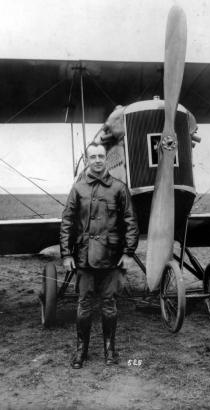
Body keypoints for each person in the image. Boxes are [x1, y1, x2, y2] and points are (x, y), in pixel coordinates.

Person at [60, 142, 139, 369]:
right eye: (92, 156)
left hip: (111, 258)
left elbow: (131, 222)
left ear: (106, 159)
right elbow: (66, 222)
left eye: (100, 156)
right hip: (84, 257)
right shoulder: (78, 188)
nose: (97, 160)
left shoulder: (119, 188)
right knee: (84, 305)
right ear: (87, 159)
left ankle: (109, 350)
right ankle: (81, 351)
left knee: (109, 305)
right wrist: (67, 255)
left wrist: (129, 252)